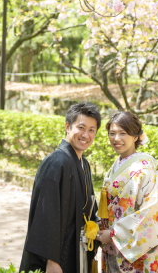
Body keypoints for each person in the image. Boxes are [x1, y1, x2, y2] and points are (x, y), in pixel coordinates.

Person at [19, 102, 101, 273]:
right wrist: (51, 260)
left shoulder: (84, 164)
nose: (86, 135)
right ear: (67, 126)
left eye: (92, 130)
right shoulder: (57, 162)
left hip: (78, 249)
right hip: (59, 256)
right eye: (81, 127)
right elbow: (46, 214)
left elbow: (89, 207)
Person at [97, 111, 158, 273]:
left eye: (123, 133)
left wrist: (114, 234)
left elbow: (150, 214)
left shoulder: (143, 170)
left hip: (133, 251)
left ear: (135, 137)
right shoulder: (119, 163)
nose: (116, 139)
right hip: (114, 245)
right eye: (112, 133)